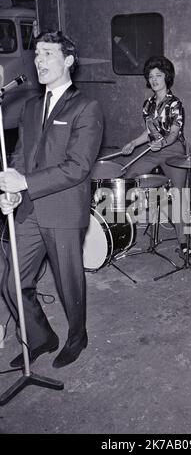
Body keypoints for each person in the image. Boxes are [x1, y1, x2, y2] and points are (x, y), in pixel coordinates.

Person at [0, 30, 103, 369]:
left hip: (63, 210)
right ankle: (41, 336)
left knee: (68, 283)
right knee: (13, 282)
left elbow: (77, 167)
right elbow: (20, 155)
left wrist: (25, 182)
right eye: (37, 55)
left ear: (68, 60)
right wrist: (13, 189)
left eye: (47, 54)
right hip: (29, 210)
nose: (38, 61)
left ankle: (78, 336)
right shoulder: (30, 106)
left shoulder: (86, 107)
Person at [121, 56, 191, 256]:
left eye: (158, 76)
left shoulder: (175, 104)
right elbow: (148, 133)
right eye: (151, 76)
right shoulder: (148, 104)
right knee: (129, 177)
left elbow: (174, 134)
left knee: (179, 195)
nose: (154, 80)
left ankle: (184, 243)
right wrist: (132, 144)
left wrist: (163, 143)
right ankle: (128, 231)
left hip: (174, 149)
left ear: (166, 77)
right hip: (154, 150)